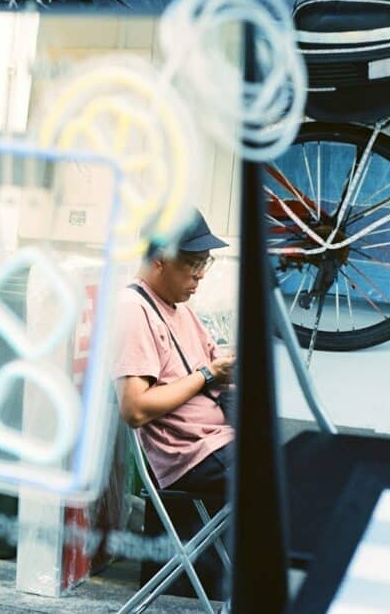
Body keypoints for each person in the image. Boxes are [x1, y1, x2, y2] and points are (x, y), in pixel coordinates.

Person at [112, 208, 234, 598]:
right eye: (193, 265)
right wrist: (210, 374)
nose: (200, 275)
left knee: (299, 458)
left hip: (216, 438)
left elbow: (208, 364)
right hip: (193, 454)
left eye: (205, 264)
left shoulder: (179, 308)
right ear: (160, 260)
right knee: (285, 482)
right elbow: (134, 409)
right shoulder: (134, 311)